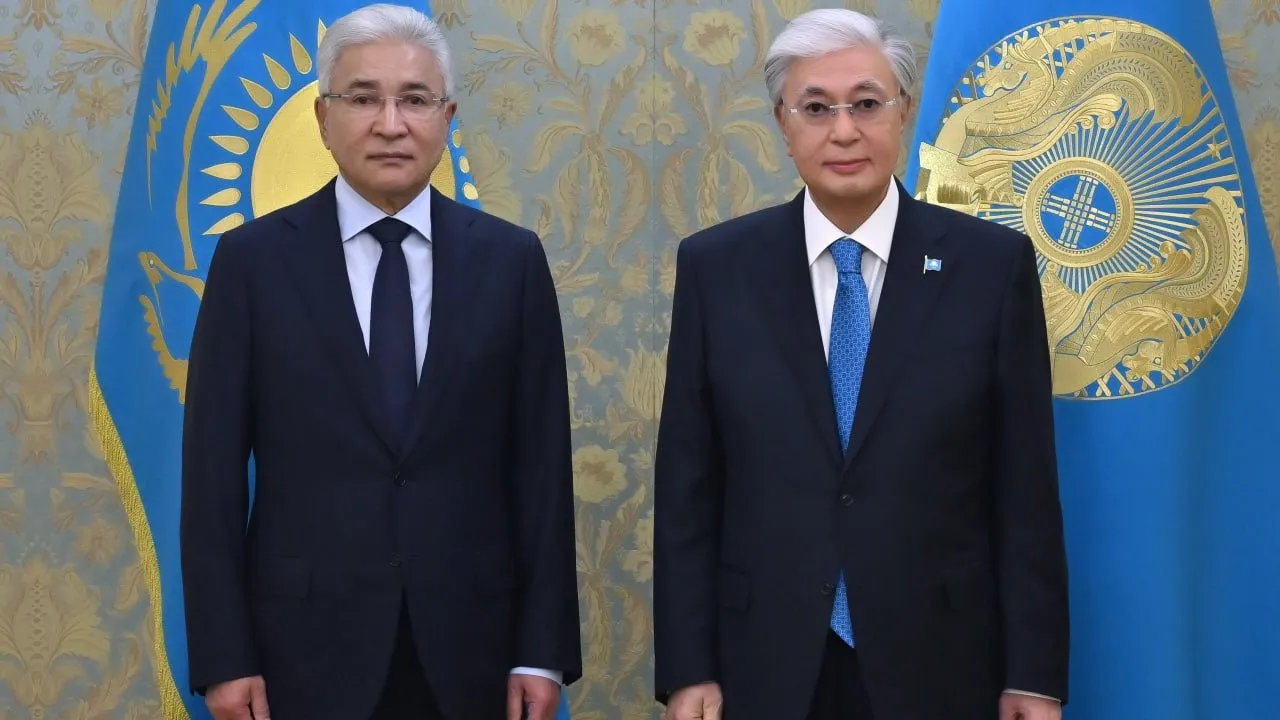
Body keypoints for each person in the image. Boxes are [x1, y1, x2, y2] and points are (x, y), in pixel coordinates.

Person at [653, 8, 1069, 720]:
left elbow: (1023, 488)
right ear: (783, 125)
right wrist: (689, 669)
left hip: (943, 663)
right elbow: (690, 488)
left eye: (867, 104)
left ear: (902, 112)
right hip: (764, 663)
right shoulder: (717, 269)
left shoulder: (990, 268)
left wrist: (1032, 676)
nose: (843, 130)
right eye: (816, 108)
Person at [178, 4, 581, 719]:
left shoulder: (511, 261)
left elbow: (541, 471)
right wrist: (224, 657)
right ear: (322, 118)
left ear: (447, 118)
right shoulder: (251, 264)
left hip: (472, 649)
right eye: (363, 98)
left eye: (415, 100)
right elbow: (211, 478)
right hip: (299, 650)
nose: (391, 124)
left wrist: (539, 651)